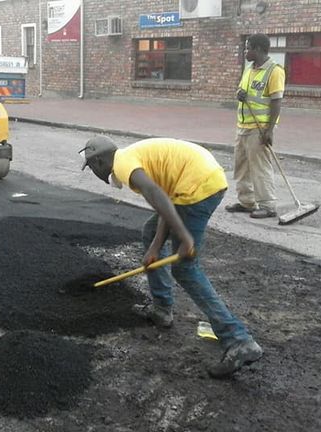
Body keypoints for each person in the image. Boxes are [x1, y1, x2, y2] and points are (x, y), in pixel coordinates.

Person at [80, 135, 263, 378]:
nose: (93, 171)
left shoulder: (123, 165)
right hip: (197, 179)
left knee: (186, 269)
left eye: (91, 166)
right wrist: (155, 246)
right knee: (150, 231)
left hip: (198, 186)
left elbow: (158, 196)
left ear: (100, 161)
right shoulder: (129, 157)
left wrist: (185, 237)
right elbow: (165, 200)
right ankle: (162, 309)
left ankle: (238, 340)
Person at [226, 34, 285, 219]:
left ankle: (268, 206)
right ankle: (247, 202)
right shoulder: (249, 69)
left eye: (248, 47)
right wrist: (240, 94)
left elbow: (276, 101)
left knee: (260, 167)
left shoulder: (274, 71)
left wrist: (269, 130)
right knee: (241, 166)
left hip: (259, 129)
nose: (245, 51)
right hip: (242, 126)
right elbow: (243, 91)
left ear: (258, 49)